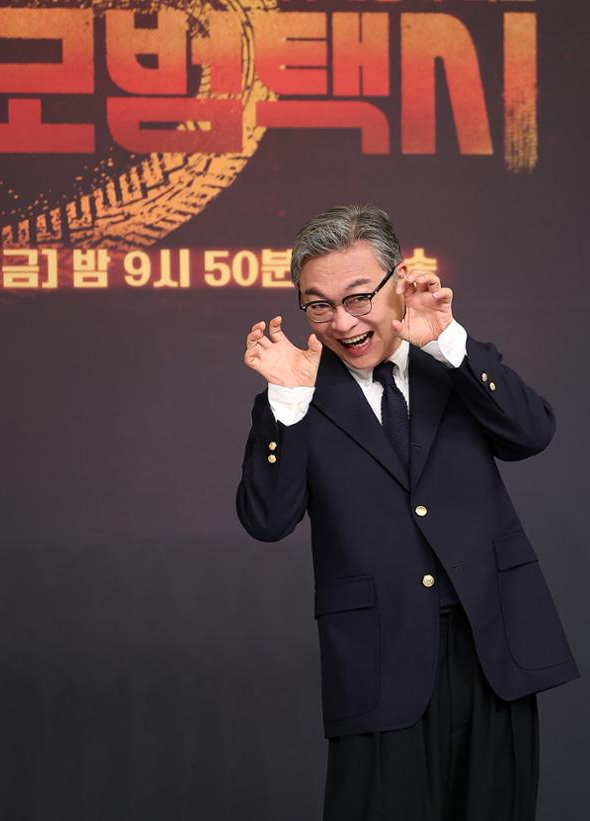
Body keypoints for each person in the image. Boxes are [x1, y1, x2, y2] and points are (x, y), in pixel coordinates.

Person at [235, 205, 581, 821]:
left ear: (399, 279)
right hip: (379, 662)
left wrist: (449, 342)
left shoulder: (452, 360)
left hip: (493, 650)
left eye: (358, 297)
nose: (343, 322)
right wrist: (287, 400)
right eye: (318, 306)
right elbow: (266, 520)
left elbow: (532, 434)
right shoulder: (299, 393)